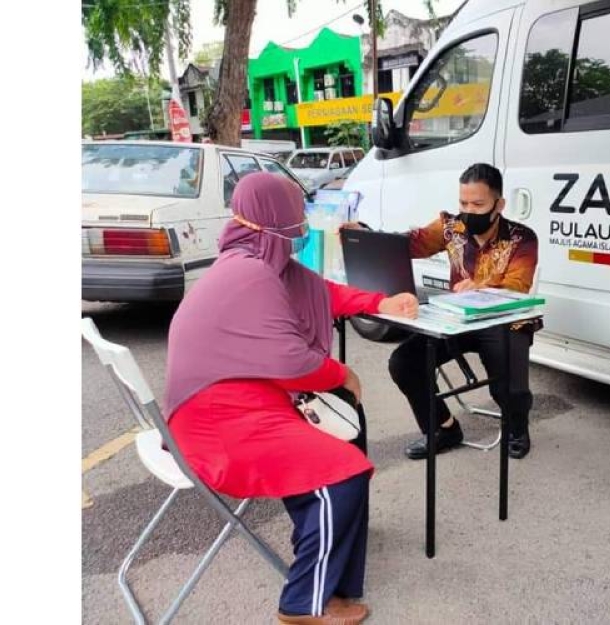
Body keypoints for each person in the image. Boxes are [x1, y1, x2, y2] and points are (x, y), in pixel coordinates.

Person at [164, 172, 418, 625]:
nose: (302, 223)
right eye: (296, 213)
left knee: (347, 429)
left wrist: (380, 303)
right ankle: (305, 604)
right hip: (217, 422)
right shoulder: (251, 273)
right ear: (274, 216)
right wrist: (345, 374)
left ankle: (331, 539)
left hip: (228, 402)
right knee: (343, 474)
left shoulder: (253, 261)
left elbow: (319, 293)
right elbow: (291, 361)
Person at [350, 163, 540, 460]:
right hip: (458, 318)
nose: (468, 210)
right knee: (404, 362)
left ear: (498, 204)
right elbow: (409, 243)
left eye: (478, 204)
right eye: (463, 203)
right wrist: (365, 233)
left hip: (503, 321)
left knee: (510, 388)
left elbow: (518, 285)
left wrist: (480, 286)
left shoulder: (522, 238)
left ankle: (517, 426)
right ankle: (443, 428)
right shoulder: (452, 227)